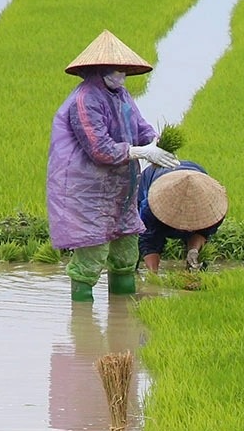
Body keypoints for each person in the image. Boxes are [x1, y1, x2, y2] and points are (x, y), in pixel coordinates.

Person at [46, 31, 179, 303]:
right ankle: (84, 328)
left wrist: (155, 143)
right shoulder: (84, 101)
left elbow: (139, 127)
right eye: (116, 70)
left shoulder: (121, 95)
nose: (121, 75)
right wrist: (140, 151)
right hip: (88, 191)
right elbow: (99, 148)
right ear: (99, 69)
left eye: (123, 71)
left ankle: (123, 319)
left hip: (121, 189)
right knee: (91, 255)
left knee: (126, 252)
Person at [138, 162, 228, 272]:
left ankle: (192, 266)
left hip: (195, 176)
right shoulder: (150, 206)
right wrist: (153, 275)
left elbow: (202, 232)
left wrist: (193, 250)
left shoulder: (214, 208)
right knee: (134, 250)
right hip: (156, 179)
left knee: (198, 263)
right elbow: (149, 240)